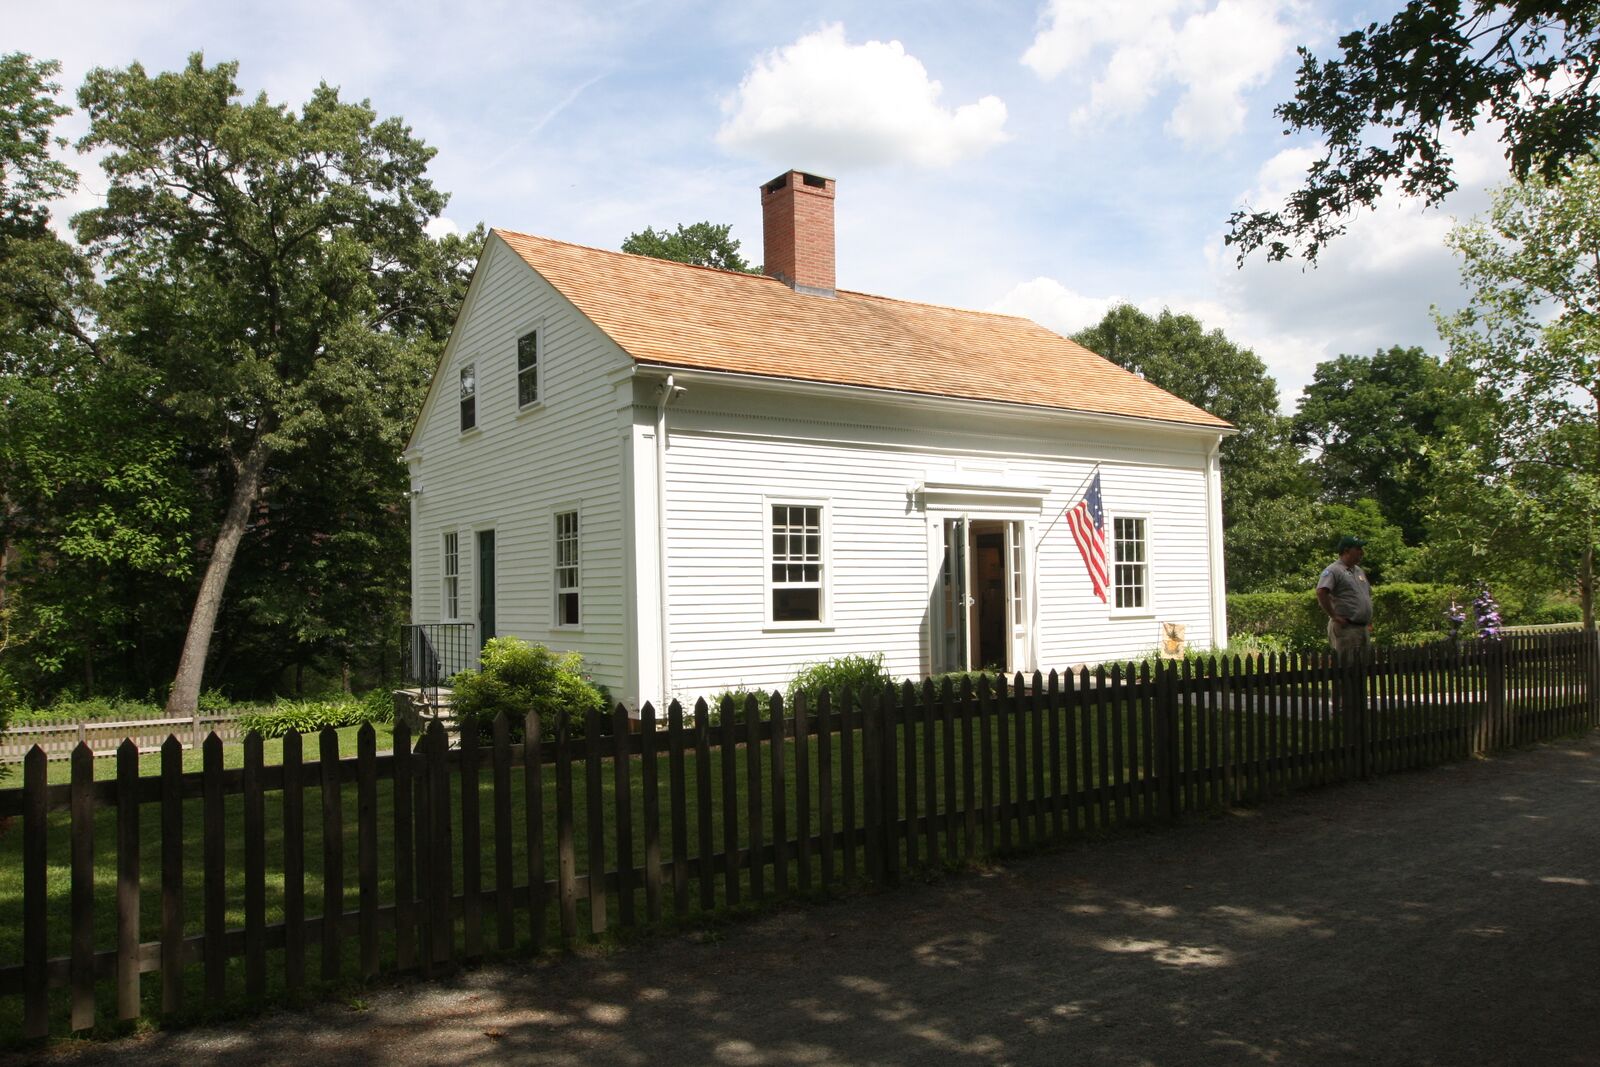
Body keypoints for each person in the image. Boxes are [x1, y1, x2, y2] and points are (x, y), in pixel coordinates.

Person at [1316, 535, 1373, 660]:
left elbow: (1366, 595)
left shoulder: (1358, 571)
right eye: (1358, 549)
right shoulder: (1333, 570)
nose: (1361, 552)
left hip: (1362, 628)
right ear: (1346, 551)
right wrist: (1334, 616)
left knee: (1363, 668)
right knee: (1348, 668)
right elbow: (1321, 592)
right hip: (1346, 628)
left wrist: (1368, 619)